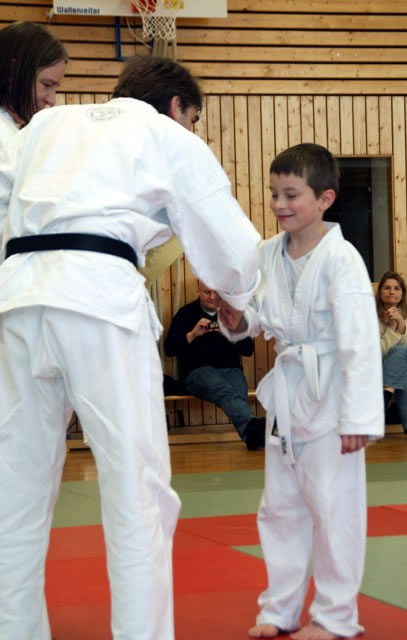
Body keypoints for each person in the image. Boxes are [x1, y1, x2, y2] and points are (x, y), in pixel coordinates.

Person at [0, 55, 261, 640]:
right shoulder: (165, 133)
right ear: (176, 107)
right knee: (135, 489)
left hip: (17, 300)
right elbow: (232, 245)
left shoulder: (45, 124)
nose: (190, 128)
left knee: (13, 490)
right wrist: (240, 299)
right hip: (100, 302)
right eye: (192, 118)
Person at [219, 143, 384, 640]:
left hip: (331, 397)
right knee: (280, 508)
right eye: (274, 194)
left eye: (291, 194)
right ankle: (280, 609)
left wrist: (359, 418)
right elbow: (259, 316)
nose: (279, 204)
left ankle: (335, 617)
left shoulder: (342, 259)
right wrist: (238, 322)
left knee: (334, 510)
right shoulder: (268, 252)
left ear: (325, 198)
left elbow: (360, 343)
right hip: (288, 399)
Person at [164, 280, 265, 449]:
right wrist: (192, 334)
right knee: (226, 391)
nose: (212, 297)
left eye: (216, 293)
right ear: (198, 291)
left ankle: (253, 437)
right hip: (197, 372)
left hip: (231, 369)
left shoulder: (231, 314)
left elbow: (248, 350)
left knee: (238, 393)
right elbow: (169, 349)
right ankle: (257, 429)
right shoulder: (185, 313)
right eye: (207, 292)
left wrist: (232, 335)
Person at [0, 20, 67, 148]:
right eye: (47, 85)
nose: (52, 101)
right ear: (12, 71)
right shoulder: (6, 143)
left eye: (55, 88)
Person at [376, 270, 407, 434]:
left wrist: (401, 326)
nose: (392, 292)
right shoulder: (370, 318)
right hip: (376, 368)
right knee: (400, 360)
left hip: (397, 371)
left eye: (397, 288)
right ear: (380, 293)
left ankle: (385, 395)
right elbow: (375, 354)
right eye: (387, 288)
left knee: (401, 355)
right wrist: (392, 329)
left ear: (402, 294)